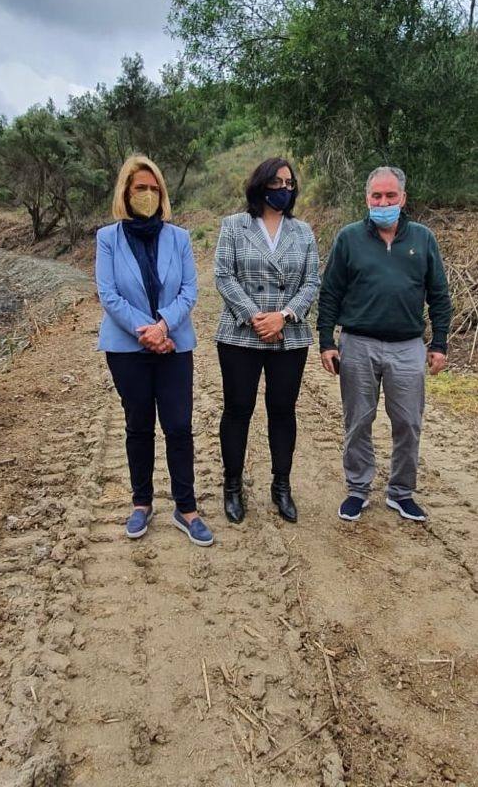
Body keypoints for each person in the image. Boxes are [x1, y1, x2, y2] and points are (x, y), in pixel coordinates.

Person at [317, 166, 452, 523]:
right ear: (367, 198)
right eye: (376, 196)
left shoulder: (423, 238)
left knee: (408, 422)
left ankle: (401, 492)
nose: (383, 202)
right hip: (357, 343)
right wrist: (326, 340)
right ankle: (357, 489)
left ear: (403, 198)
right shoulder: (349, 238)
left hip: (407, 346)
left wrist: (439, 343)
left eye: (390, 195)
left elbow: (439, 295)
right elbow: (330, 292)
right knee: (358, 421)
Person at [95, 154, 213, 546]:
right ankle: (141, 503)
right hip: (127, 349)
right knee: (138, 425)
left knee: (178, 426)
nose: (147, 194)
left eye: (153, 188)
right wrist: (145, 332)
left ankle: (186, 508)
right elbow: (109, 294)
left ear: (162, 194)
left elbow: (189, 290)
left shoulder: (179, 238)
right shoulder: (108, 239)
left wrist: (163, 326)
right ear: (125, 193)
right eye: (139, 188)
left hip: (174, 345)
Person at [214, 158, 320, 524]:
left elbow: (311, 281)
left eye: (289, 183)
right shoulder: (234, 226)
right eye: (277, 182)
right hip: (241, 333)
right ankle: (232, 486)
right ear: (261, 184)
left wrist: (284, 316)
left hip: (288, 335)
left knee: (282, 410)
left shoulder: (302, 231)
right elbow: (223, 275)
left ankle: (281, 486)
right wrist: (255, 315)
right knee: (237, 410)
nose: (284, 189)